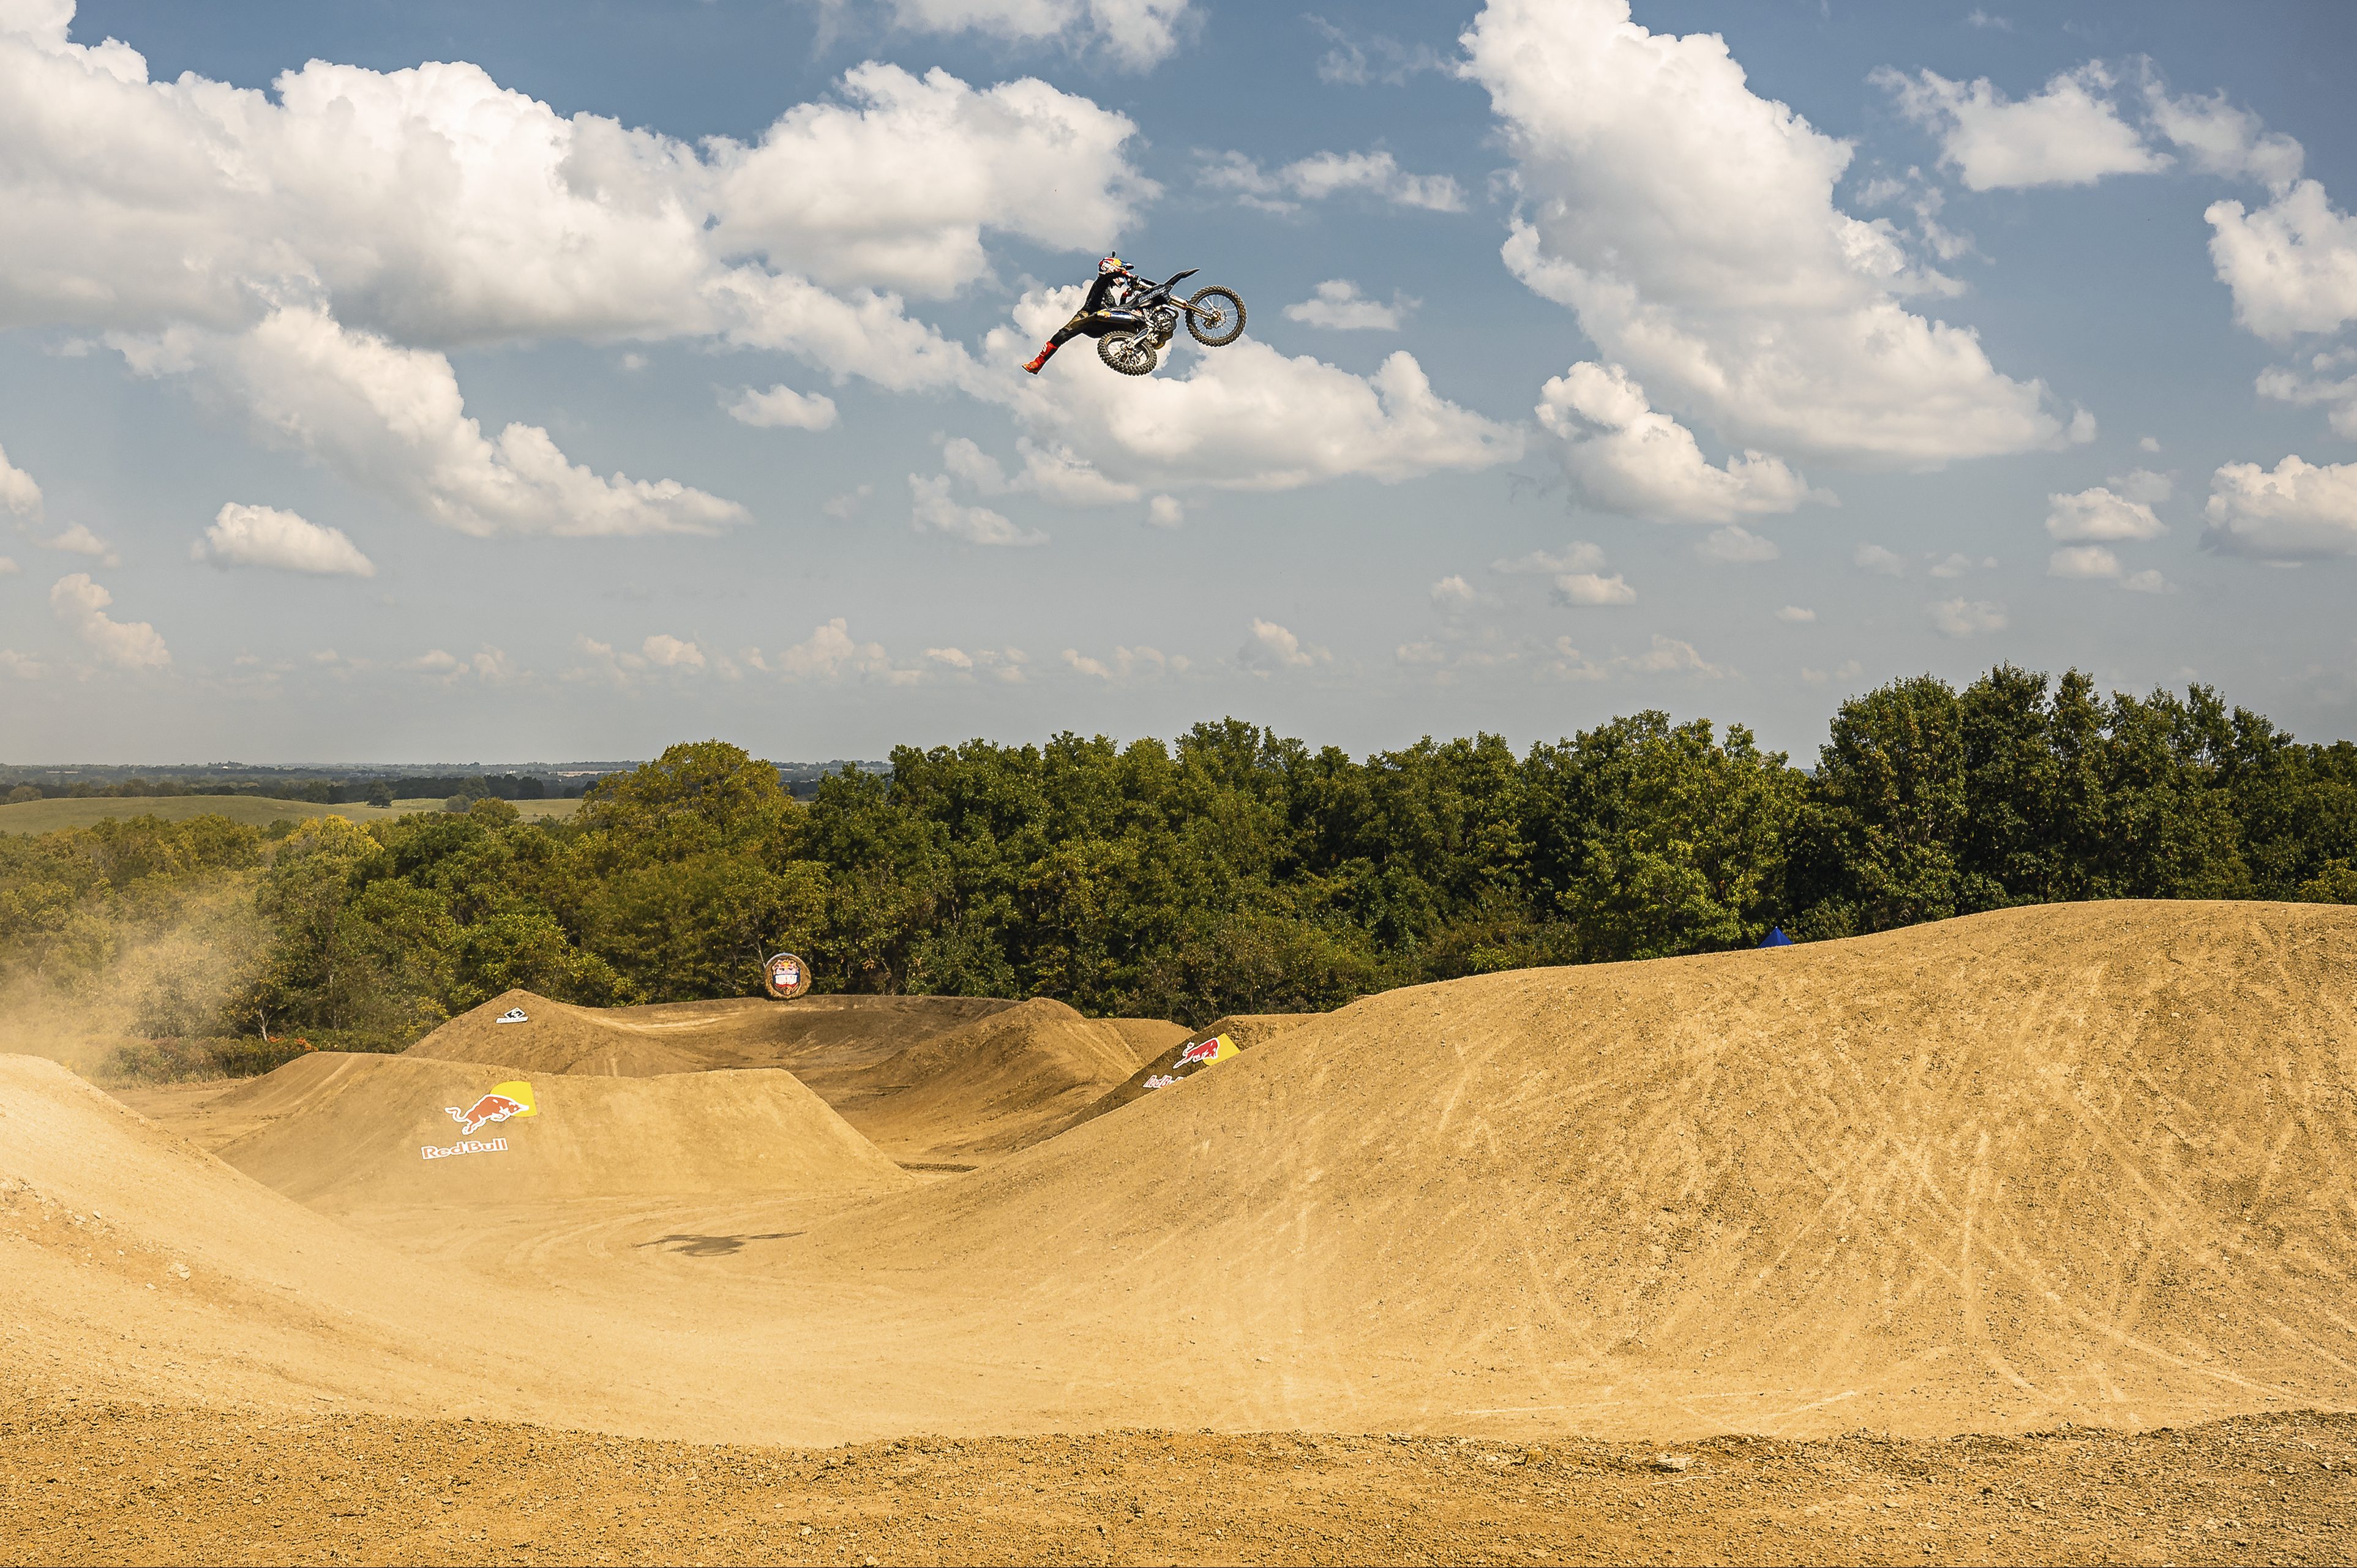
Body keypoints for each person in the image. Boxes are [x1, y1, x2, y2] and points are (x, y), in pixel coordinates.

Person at [1022, 255, 1139, 374]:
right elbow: (1107, 277)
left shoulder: (1110, 296)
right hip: (1088, 315)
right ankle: (1038, 362)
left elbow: (1119, 310)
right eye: (1119, 269)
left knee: (1130, 323)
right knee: (1063, 333)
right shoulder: (1100, 284)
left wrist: (1124, 297)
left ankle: (1134, 350)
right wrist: (1125, 274)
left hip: (1104, 323)